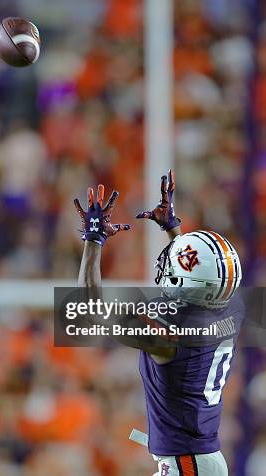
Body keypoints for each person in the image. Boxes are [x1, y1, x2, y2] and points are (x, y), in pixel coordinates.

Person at [74, 170, 244, 476]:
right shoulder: (231, 306)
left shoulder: (168, 335)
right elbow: (200, 284)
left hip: (187, 463)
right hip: (199, 458)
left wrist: (93, 240)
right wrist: (175, 232)